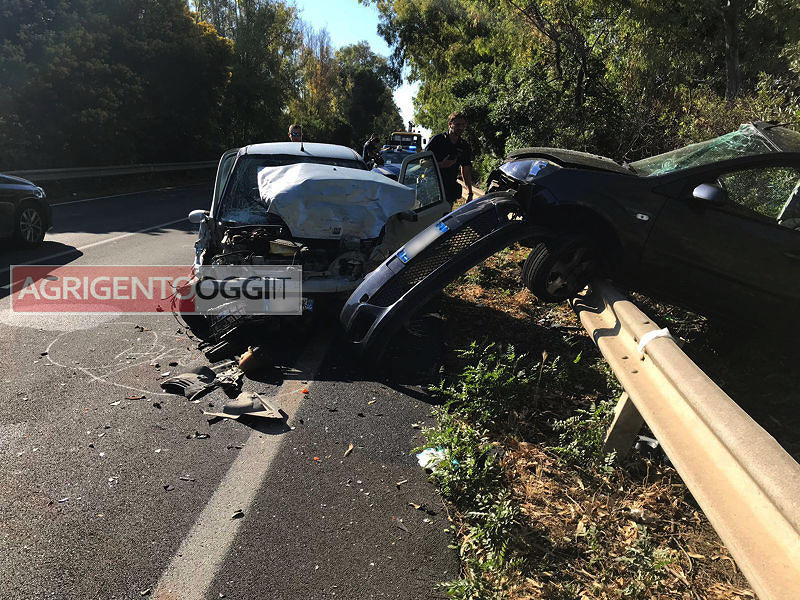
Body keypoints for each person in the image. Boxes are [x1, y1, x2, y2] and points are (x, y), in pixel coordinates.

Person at [425, 111, 474, 204]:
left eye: (463, 125)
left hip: (449, 191)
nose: (461, 128)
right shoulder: (438, 140)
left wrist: (470, 193)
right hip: (431, 189)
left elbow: (466, 169)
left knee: (446, 213)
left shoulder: (464, 145)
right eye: (458, 124)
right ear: (450, 124)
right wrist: (440, 165)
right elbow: (422, 162)